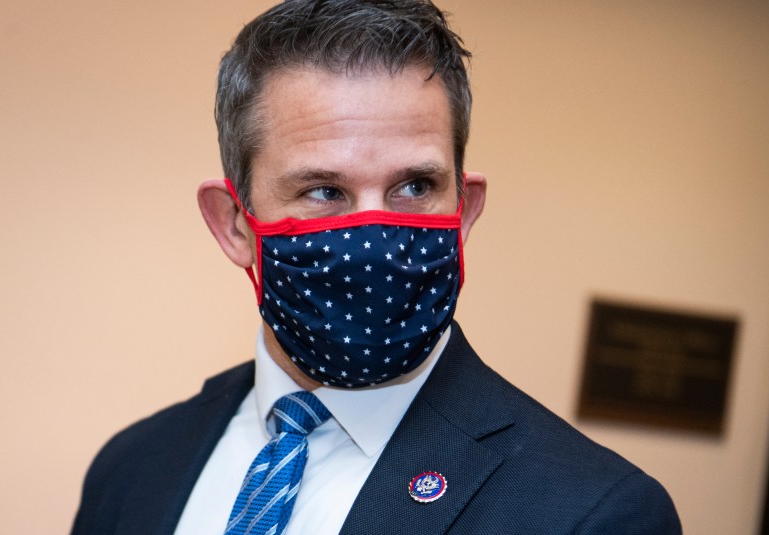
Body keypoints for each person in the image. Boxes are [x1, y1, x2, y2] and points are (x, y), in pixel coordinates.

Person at [72, 1, 682, 533]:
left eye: (415, 186)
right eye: (323, 191)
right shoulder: (133, 468)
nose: (373, 233)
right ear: (234, 225)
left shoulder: (590, 510)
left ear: (463, 213)